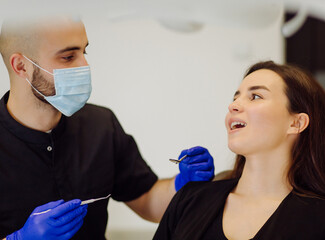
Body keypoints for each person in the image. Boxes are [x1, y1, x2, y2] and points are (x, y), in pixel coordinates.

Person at [0, 16, 215, 240]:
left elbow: (148, 202)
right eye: (68, 57)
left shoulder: (101, 125)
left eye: (85, 52)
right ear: (21, 66)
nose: (84, 66)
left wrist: (182, 184)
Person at [153, 61, 325, 240]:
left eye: (255, 97)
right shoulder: (190, 200)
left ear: (296, 123)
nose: (233, 106)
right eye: (236, 97)